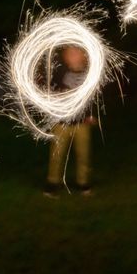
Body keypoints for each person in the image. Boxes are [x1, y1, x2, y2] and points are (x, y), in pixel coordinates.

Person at [43, 46, 96, 199]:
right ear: (66, 57)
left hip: (81, 122)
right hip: (61, 122)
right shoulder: (59, 72)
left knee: (83, 154)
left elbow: (91, 97)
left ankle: (83, 183)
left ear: (83, 56)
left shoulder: (88, 74)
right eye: (71, 53)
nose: (74, 56)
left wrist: (90, 114)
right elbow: (50, 91)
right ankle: (52, 183)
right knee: (57, 154)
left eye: (77, 53)